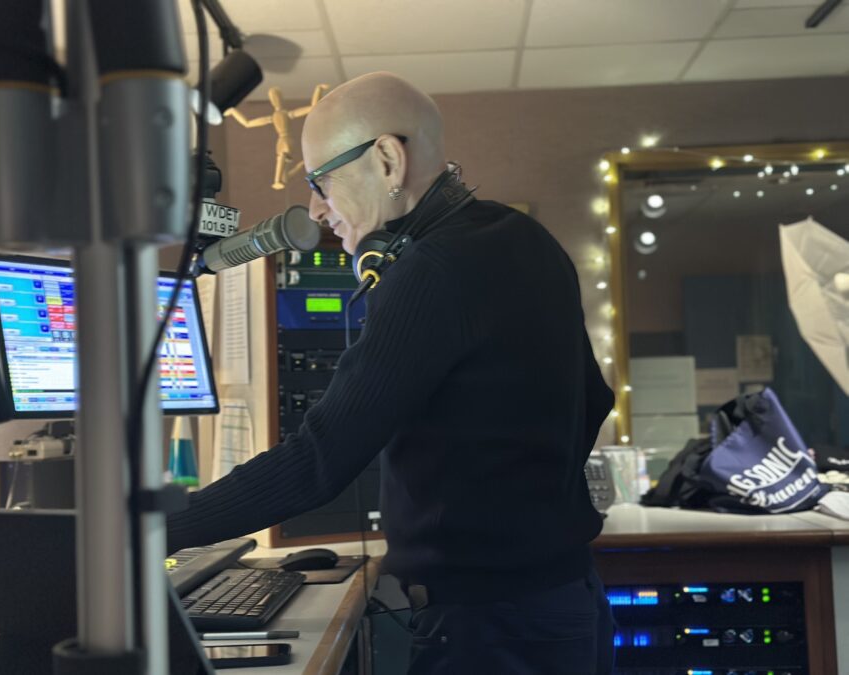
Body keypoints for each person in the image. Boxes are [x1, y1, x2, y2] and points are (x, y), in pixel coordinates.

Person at [167, 71, 615, 674]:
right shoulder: (525, 238)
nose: (319, 209)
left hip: (489, 625)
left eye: (320, 180)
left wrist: (161, 528)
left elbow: (319, 459)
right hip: (564, 599)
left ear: (386, 160)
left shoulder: (429, 271)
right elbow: (597, 397)